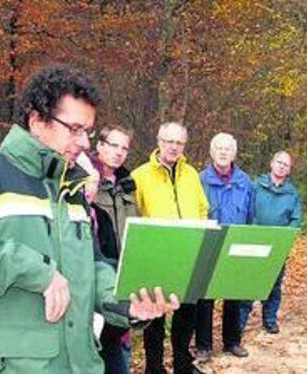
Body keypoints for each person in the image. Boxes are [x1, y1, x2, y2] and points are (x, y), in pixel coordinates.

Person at [0, 65, 178, 374]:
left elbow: (92, 266)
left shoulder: (72, 190)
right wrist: (34, 270)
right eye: (75, 128)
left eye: (88, 131)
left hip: (81, 364)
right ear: (37, 120)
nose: (85, 143)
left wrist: (127, 303)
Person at [131, 122, 209, 374]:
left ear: (184, 146)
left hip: (188, 256)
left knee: (186, 314)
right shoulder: (140, 175)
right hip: (156, 256)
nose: (174, 147)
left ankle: (182, 364)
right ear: (159, 141)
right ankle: (154, 367)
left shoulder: (192, 175)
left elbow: (202, 208)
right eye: (169, 141)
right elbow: (134, 214)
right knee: (155, 317)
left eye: (179, 143)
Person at [195, 132, 251, 362]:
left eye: (228, 148)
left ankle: (232, 342)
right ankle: (204, 346)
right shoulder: (200, 179)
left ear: (235, 153)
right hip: (208, 242)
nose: (223, 152)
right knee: (205, 298)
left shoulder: (245, 181)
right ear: (211, 151)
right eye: (219, 147)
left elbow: (250, 214)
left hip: (235, 243)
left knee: (233, 295)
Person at [238, 151, 302, 334]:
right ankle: (239, 324)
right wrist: (255, 233)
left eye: (286, 165)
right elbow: (247, 210)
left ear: (289, 170)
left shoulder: (292, 193)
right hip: (254, 244)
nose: (282, 166)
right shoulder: (255, 186)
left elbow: (295, 219)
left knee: (273, 286)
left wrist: (283, 238)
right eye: (279, 162)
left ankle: (270, 319)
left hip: (278, 247)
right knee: (248, 286)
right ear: (272, 163)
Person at [93, 125, 138, 374]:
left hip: (123, 276)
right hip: (96, 277)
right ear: (99, 145)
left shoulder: (128, 185)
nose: (119, 152)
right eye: (113, 145)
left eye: (124, 148)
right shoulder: (85, 180)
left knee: (120, 346)